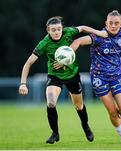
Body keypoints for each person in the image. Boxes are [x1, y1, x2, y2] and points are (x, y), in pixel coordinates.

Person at [18, 16, 108, 144]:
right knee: (51, 103)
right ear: (48, 30)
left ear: (62, 28)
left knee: (79, 106)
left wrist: (99, 33)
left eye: (59, 29)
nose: (56, 32)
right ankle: (55, 133)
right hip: (54, 76)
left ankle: (86, 126)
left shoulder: (68, 32)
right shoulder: (44, 43)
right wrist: (23, 83)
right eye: (53, 30)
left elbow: (82, 28)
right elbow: (28, 63)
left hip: (72, 75)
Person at [70, 10, 121, 145]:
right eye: (111, 23)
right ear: (106, 23)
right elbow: (78, 41)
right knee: (112, 111)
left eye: (116, 23)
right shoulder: (98, 36)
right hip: (99, 78)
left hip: (117, 76)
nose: (113, 26)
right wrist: (69, 52)